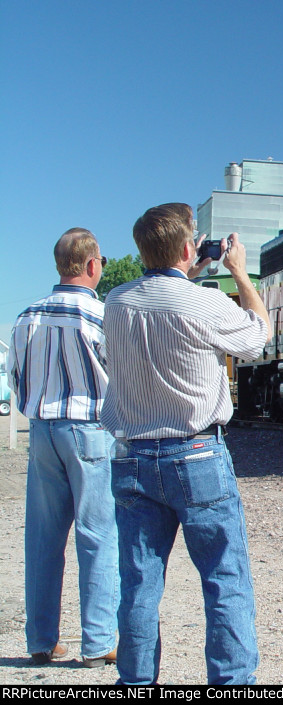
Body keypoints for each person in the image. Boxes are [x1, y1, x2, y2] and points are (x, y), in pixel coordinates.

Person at [101, 203, 271, 685]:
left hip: (133, 458)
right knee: (225, 579)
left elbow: (160, 298)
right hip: (197, 456)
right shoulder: (205, 302)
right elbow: (258, 337)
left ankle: (134, 683)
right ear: (186, 247)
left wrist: (183, 269)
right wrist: (238, 272)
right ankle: (232, 682)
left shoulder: (116, 302)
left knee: (138, 584)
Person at [8, 228, 119, 667]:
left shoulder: (27, 316)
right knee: (97, 535)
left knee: (42, 537)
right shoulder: (101, 316)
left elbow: (16, 379)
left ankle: (41, 640)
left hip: (41, 429)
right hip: (90, 428)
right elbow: (120, 376)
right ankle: (97, 642)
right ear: (93, 265)